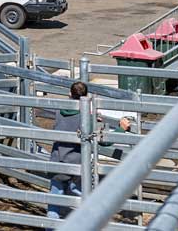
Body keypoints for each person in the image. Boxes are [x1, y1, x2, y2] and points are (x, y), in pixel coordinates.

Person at [47, 81, 131, 223]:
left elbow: (70, 121)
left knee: (55, 200)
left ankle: (51, 227)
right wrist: (121, 128)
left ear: (69, 94)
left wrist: (91, 118)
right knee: (82, 195)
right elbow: (104, 140)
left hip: (57, 160)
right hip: (77, 164)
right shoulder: (86, 118)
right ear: (87, 97)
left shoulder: (59, 111)